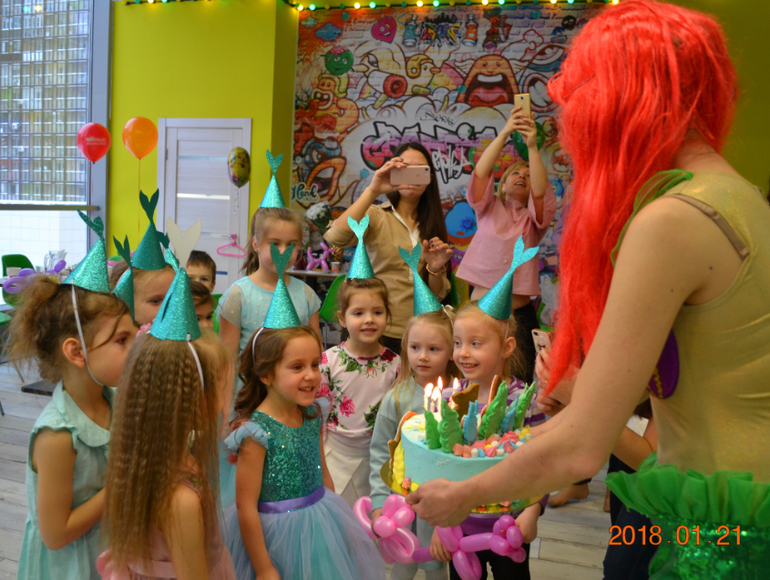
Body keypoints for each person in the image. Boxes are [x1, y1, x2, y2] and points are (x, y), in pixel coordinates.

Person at [406, 2, 770, 577]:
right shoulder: (740, 196)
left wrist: (465, 492)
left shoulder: (673, 219)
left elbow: (581, 446)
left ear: (619, 101)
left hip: (721, 534)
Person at [223, 256, 385, 579]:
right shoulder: (255, 433)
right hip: (275, 541)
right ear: (266, 375)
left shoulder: (312, 413)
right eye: (297, 367)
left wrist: (340, 527)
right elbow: (246, 507)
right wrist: (264, 568)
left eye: (314, 364)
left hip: (320, 528)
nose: (311, 375)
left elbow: (324, 476)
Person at [100, 268, 236, 580]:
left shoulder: (149, 460)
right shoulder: (181, 499)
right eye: (219, 387)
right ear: (192, 402)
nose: (223, 399)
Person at [10, 274, 134, 579]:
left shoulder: (116, 400)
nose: (136, 348)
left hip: (112, 550)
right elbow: (56, 535)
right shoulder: (57, 436)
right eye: (122, 340)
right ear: (77, 353)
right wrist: (125, 485)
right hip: (72, 566)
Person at [442, 300, 546, 580]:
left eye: (475, 343)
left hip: (511, 525)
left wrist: (533, 510)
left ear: (507, 347)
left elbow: (542, 462)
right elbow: (440, 464)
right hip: (460, 528)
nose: (463, 352)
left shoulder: (525, 401)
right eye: (457, 343)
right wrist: (441, 527)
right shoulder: (449, 399)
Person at [455, 106, 557, 383]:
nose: (522, 176)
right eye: (515, 173)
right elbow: (481, 173)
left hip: (519, 317)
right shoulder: (487, 207)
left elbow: (540, 192)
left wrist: (532, 146)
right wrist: (505, 132)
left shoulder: (534, 221)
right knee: (476, 382)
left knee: (519, 384)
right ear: (500, 185)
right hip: (480, 313)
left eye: (528, 174)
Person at [325, 142, 453, 354]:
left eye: (419, 170)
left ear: (429, 178)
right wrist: (373, 189)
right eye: (404, 169)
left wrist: (434, 269)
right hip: (373, 330)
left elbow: (436, 295)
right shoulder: (376, 215)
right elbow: (335, 237)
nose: (412, 176)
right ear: (394, 172)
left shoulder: (434, 224)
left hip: (416, 332)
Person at [369, 308, 458, 580]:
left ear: (452, 351)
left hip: (444, 501)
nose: (423, 356)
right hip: (403, 502)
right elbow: (380, 453)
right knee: (403, 563)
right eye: (415, 347)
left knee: (437, 564)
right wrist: (378, 503)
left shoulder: (460, 396)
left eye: (433, 348)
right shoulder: (396, 398)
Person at [319, 277, 400, 506]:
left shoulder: (396, 365)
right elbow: (316, 415)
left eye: (377, 312)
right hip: (333, 458)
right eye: (358, 313)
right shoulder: (328, 362)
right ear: (342, 318)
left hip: (377, 461)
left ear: (387, 316)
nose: (369, 319)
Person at [218, 207, 321, 358]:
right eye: (275, 243)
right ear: (255, 244)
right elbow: (227, 359)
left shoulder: (306, 294)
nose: (283, 251)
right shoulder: (238, 295)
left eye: (291, 244)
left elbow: (316, 352)